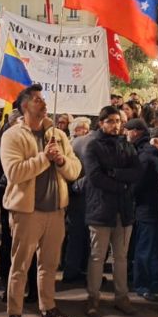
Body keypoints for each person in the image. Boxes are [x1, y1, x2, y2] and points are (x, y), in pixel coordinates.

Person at [0, 84, 81, 317]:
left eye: (43, 99)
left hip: (55, 210)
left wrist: (61, 160)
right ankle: (15, 313)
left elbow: (75, 170)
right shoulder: (13, 136)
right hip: (27, 212)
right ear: (25, 105)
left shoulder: (57, 134)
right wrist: (44, 158)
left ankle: (48, 307)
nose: (44, 103)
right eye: (37, 100)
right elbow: (15, 173)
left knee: (49, 263)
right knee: (20, 265)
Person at [83, 105, 142, 316]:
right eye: (110, 121)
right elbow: (95, 177)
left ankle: (121, 296)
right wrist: (122, 186)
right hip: (101, 208)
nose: (115, 125)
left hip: (123, 210)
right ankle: (93, 297)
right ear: (101, 123)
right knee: (97, 256)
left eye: (118, 121)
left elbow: (137, 172)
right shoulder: (93, 146)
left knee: (121, 257)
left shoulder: (127, 146)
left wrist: (115, 174)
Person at [132, 126, 158, 302]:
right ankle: (143, 285)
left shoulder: (155, 156)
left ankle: (154, 285)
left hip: (155, 210)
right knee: (146, 250)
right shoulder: (148, 159)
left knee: (155, 251)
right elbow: (137, 186)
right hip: (148, 211)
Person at [62, 117, 93, 284]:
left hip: (77, 194)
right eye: (83, 128)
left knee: (79, 235)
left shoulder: (73, 144)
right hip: (78, 195)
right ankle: (73, 270)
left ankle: (75, 269)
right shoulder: (74, 145)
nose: (86, 131)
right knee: (77, 235)